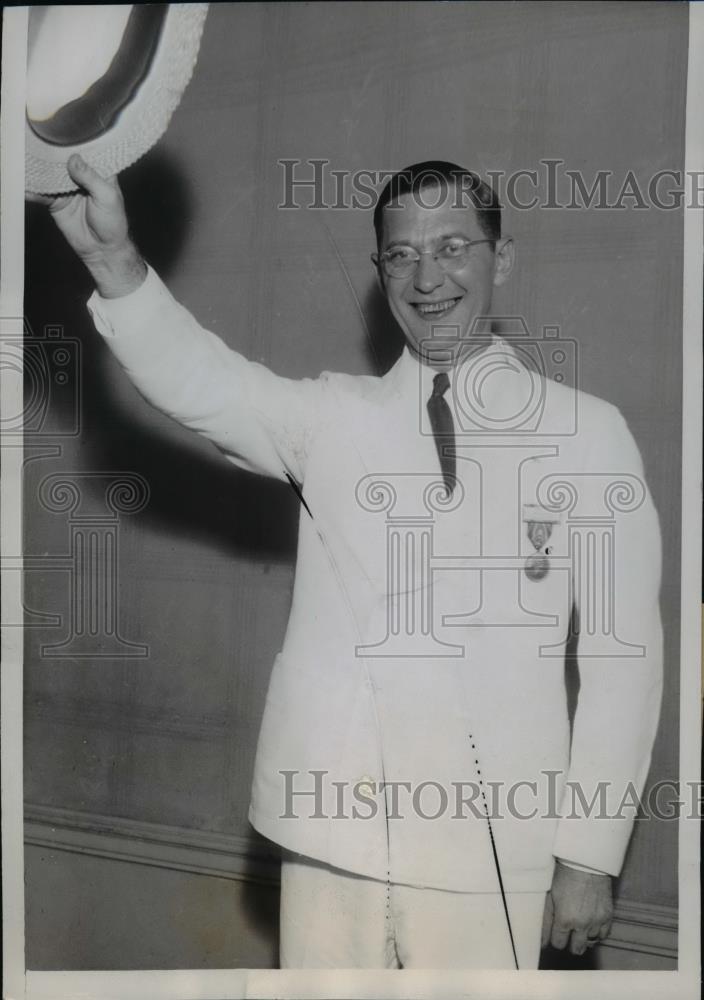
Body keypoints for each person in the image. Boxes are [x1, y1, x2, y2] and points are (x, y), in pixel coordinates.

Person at [36, 155, 663, 969]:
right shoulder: (331, 416)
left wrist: (588, 855)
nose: (426, 276)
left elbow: (626, 662)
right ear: (379, 273)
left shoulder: (589, 433)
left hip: (493, 854)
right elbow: (199, 379)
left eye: (452, 247)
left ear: (500, 259)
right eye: (400, 254)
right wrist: (109, 259)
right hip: (332, 836)